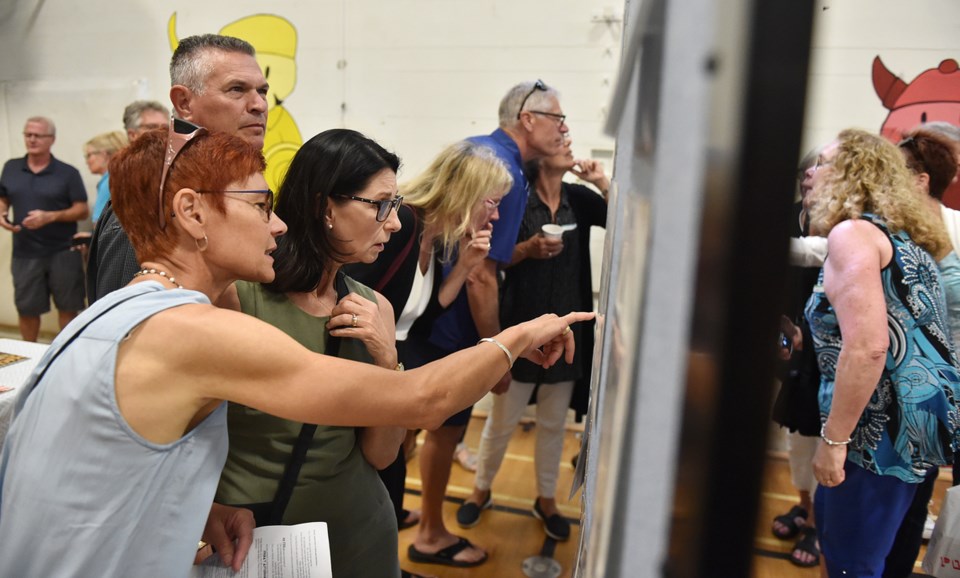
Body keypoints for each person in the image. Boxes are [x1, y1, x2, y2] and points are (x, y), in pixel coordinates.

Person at [0, 123, 591, 577]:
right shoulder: (194, 328)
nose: (277, 224)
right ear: (192, 212)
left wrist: (199, 508)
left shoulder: (125, 309)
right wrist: (516, 336)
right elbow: (423, 398)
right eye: (260, 206)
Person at [215, 128, 406, 577]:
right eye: (380, 205)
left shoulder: (376, 308)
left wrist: (387, 360)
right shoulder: (240, 296)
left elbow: (381, 455)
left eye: (395, 206)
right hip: (255, 532)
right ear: (325, 207)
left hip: (358, 534)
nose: (394, 223)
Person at [410, 79, 569, 568]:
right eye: (558, 119)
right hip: (450, 327)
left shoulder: (475, 149)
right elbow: (481, 274)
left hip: (425, 318)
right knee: (443, 430)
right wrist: (496, 351)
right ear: (528, 119)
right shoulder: (508, 172)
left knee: (408, 429)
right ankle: (431, 532)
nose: (564, 129)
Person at [345, 140, 513, 571]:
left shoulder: (436, 236)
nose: (495, 215)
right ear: (465, 194)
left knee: (392, 472)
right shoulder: (402, 222)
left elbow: (422, 315)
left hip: (387, 371)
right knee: (378, 477)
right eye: (491, 203)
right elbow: (350, 295)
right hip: (361, 375)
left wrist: (465, 267)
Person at [804, 128, 960, 577]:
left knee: (852, 564)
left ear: (856, 173)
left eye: (824, 163)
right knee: (874, 559)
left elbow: (870, 347)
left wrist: (834, 442)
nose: (812, 172)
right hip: (908, 430)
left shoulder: (853, 234)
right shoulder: (901, 235)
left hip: (873, 434)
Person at [456, 135, 608, 542]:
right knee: (502, 421)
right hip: (521, 332)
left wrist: (603, 182)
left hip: (568, 335)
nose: (567, 140)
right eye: (559, 138)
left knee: (554, 425)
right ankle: (481, 490)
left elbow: (624, 220)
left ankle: (547, 499)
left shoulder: (579, 197)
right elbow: (498, 258)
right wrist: (529, 248)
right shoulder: (517, 197)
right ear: (539, 161)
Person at [87, 34, 267, 304]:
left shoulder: (218, 185)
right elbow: (126, 325)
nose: (259, 105)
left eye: (262, 91)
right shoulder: (153, 199)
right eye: (237, 89)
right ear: (183, 103)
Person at [882, 127, 960, 578]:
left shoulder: (951, 226)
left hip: (946, 389)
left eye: (897, 170)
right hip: (917, 394)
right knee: (910, 497)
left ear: (921, 180)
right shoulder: (890, 229)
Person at [769, 147, 824, 569]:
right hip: (791, 349)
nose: (810, 177)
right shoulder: (788, 215)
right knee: (797, 437)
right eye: (807, 170)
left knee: (825, 439)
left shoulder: (850, 228)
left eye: (820, 171)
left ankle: (821, 526)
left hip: (831, 356)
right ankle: (805, 507)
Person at [0, 116, 88, 342]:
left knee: (68, 308)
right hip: (25, 253)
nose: (32, 139)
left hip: (63, 251)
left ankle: (64, 355)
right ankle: (29, 356)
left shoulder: (68, 173)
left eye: (38, 135)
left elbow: (82, 210)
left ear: (52, 139)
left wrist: (51, 217)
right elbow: (4, 199)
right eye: (28, 134)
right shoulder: (10, 168)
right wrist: (2, 213)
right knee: (27, 310)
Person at [84, 130, 128, 222]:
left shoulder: (109, 181)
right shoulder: (124, 176)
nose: (86, 161)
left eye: (88, 155)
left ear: (104, 154)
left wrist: (91, 235)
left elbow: (98, 223)